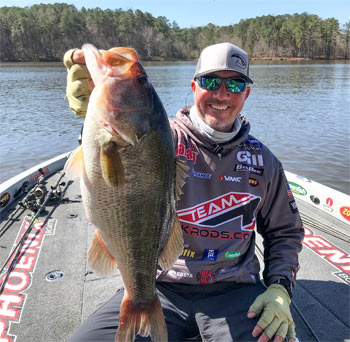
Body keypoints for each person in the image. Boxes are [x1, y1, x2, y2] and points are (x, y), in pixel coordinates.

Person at [63, 42, 304, 342]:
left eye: (236, 83)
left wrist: (280, 288)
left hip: (236, 290)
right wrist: (91, 103)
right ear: (194, 86)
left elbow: (286, 233)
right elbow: (120, 138)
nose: (222, 94)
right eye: (211, 81)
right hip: (161, 285)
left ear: (246, 93)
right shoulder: (163, 136)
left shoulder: (264, 161)